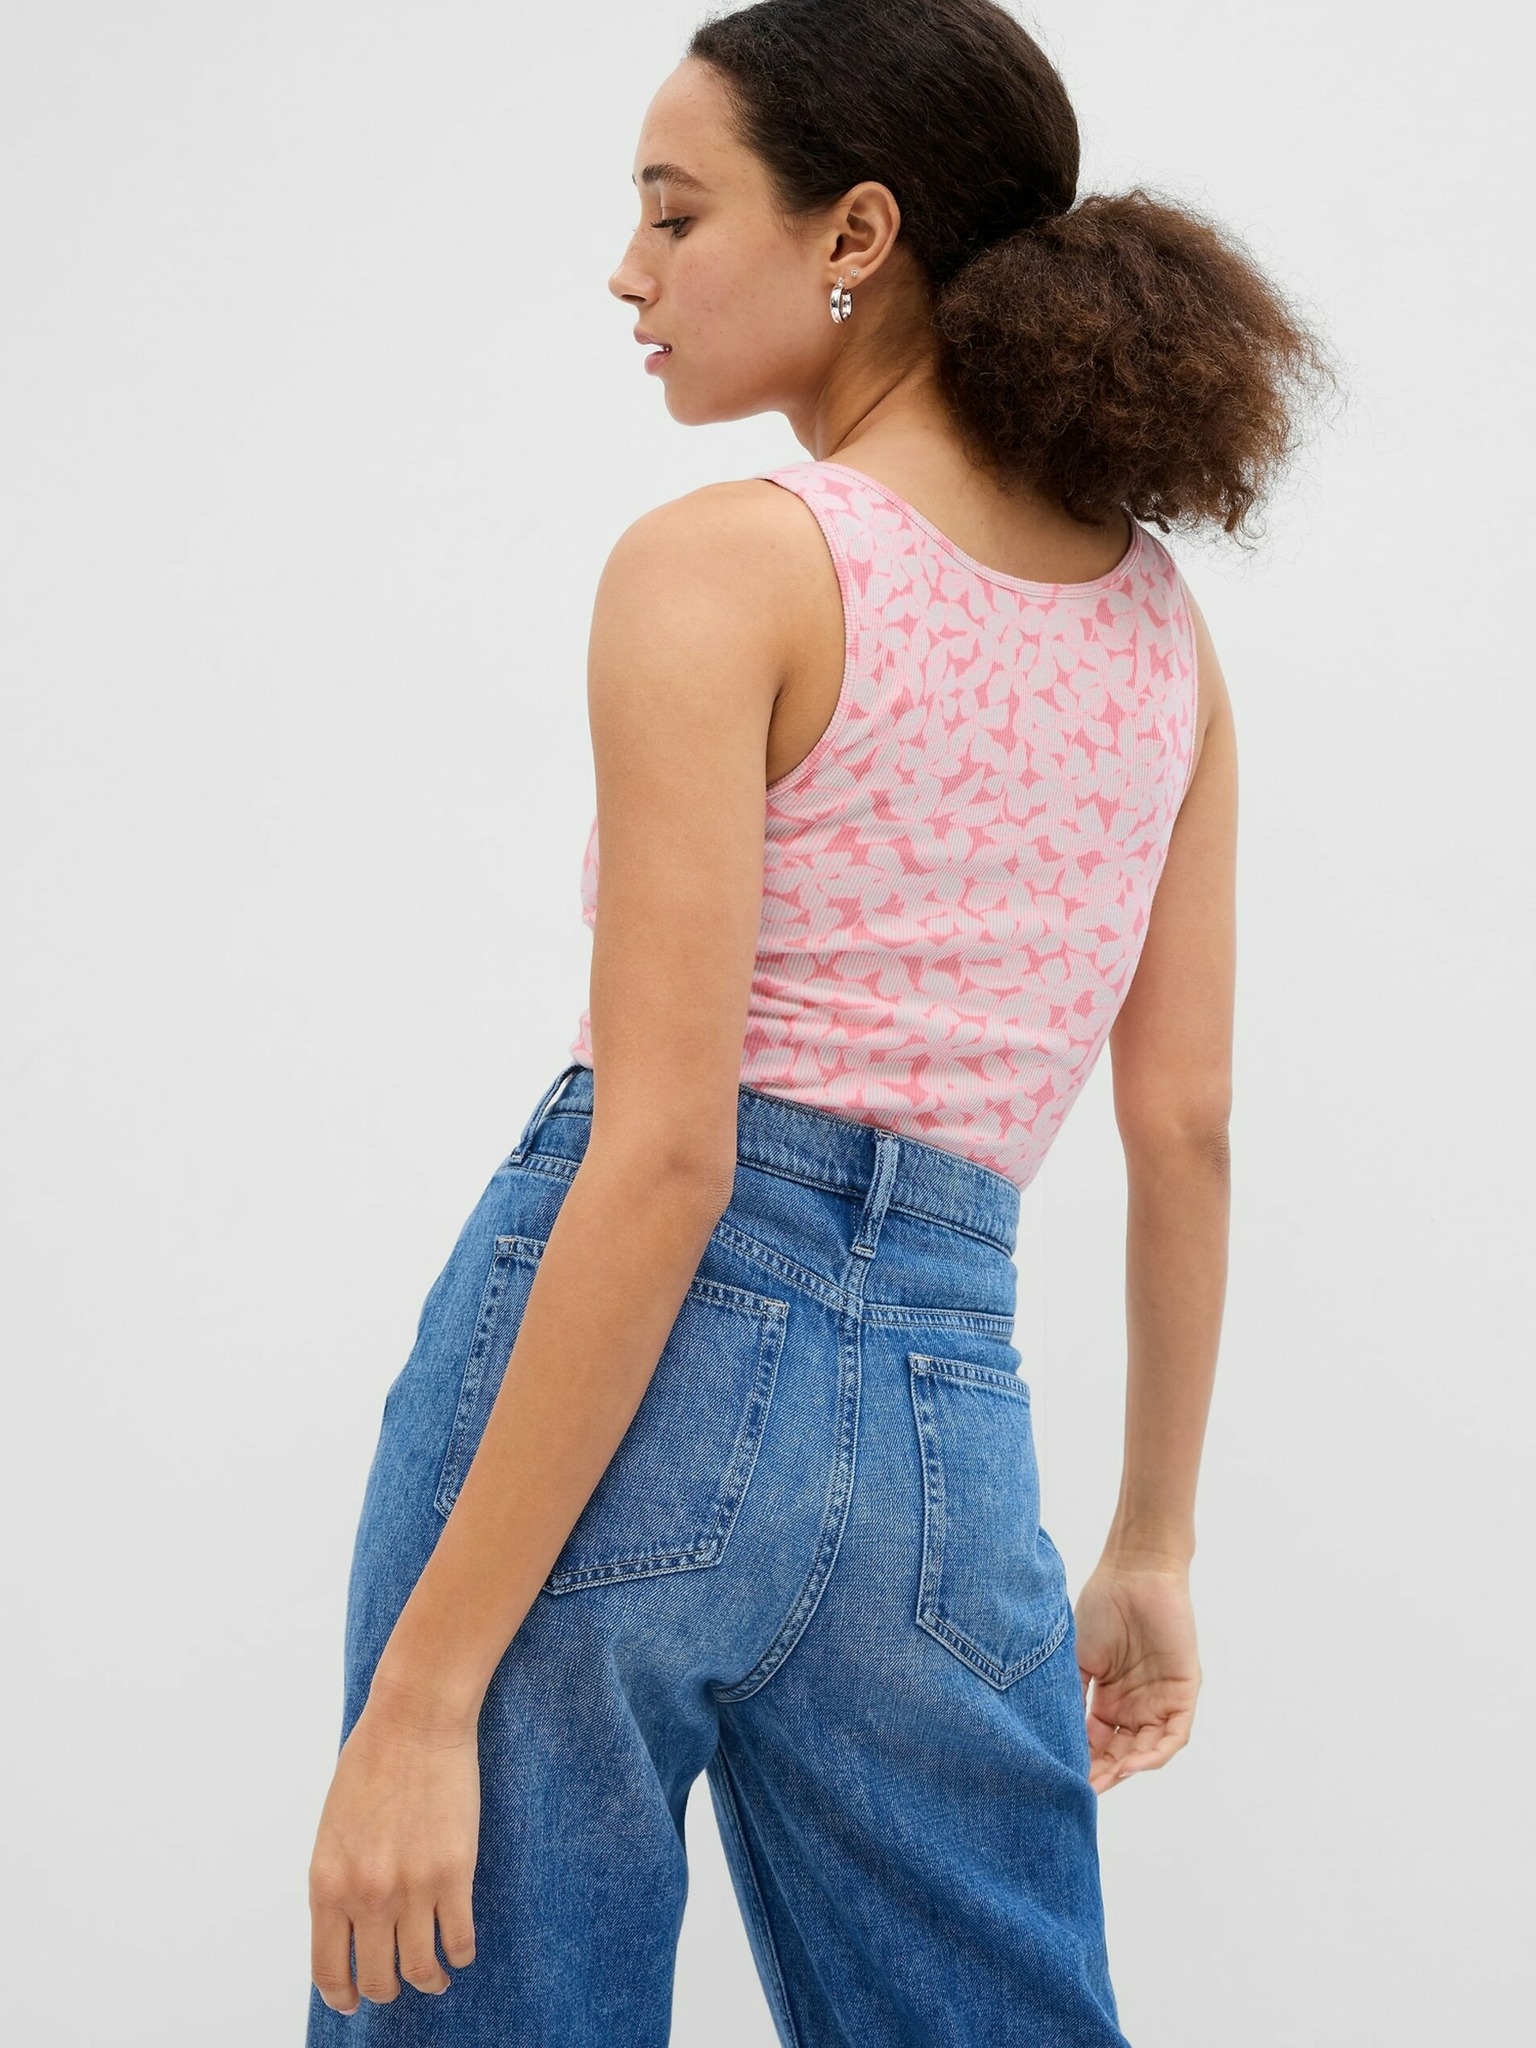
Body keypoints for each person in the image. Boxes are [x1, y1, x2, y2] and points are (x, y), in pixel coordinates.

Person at [304, 1, 1336, 2039]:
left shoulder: (731, 569)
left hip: (627, 1373)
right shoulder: (1164, 638)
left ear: (856, 232)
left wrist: (421, 1701)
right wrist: (1151, 1538)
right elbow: (1187, 1122)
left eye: (676, 213)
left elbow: (669, 1149)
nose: (629, 270)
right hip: (950, 1417)